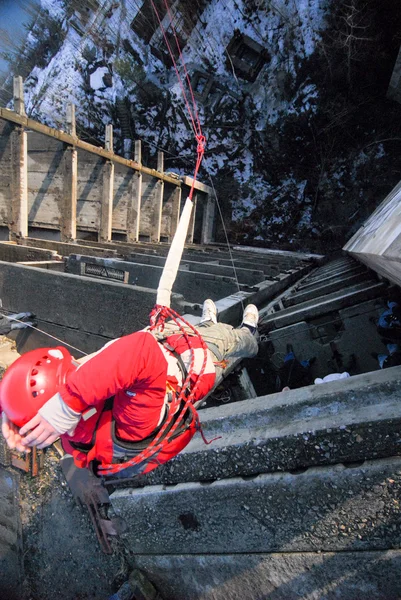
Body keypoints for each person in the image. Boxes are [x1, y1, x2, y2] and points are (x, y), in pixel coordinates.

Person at [1, 300, 259, 475]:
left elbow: (88, 374)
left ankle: (208, 322)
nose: (78, 366)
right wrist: (70, 400)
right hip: (196, 362)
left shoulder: (75, 432)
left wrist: (13, 412)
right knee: (230, 339)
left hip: (166, 343)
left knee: (201, 327)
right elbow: (141, 351)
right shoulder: (130, 425)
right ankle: (250, 332)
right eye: (71, 375)